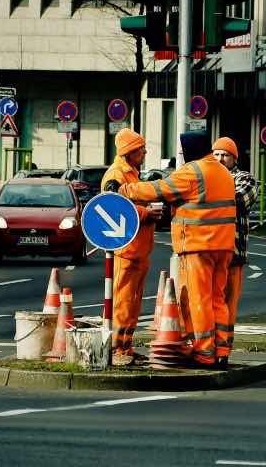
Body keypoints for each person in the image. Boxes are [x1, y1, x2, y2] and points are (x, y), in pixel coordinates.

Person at [119, 131, 236, 369]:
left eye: (183, 151)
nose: (182, 156)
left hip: (198, 245)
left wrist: (124, 190)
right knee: (217, 299)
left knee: (198, 300)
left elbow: (158, 190)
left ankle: (204, 352)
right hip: (223, 246)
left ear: (191, 150)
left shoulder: (193, 171)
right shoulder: (223, 172)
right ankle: (222, 350)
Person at [101, 128, 162, 365]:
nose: (145, 152)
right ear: (129, 152)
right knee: (122, 301)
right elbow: (112, 207)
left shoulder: (131, 174)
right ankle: (117, 349)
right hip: (126, 250)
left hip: (137, 249)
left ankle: (125, 347)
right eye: (141, 149)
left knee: (132, 302)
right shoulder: (116, 175)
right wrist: (147, 212)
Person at [212, 137, 257, 355]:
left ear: (234, 158)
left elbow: (238, 200)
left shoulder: (244, 179)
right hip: (209, 251)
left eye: (225, 155)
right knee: (210, 300)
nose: (220, 159)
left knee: (228, 302)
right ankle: (209, 344)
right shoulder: (208, 177)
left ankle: (224, 347)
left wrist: (209, 196)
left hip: (233, 252)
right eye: (217, 154)